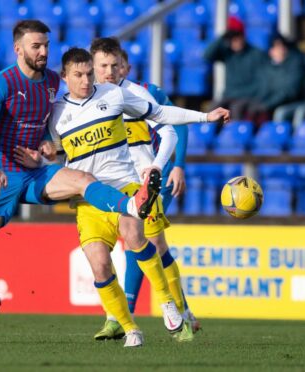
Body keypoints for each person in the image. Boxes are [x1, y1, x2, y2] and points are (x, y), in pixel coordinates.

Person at [14, 47, 229, 347]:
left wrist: (206, 116)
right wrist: (45, 155)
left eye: (89, 72)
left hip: (126, 187)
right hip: (87, 198)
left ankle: (168, 303)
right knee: (99, 264)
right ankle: (129, 328)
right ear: (64, 77)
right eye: (79, 75)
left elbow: (161, 114)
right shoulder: (55, 112)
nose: (87, 80)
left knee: (135, 235)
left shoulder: (112, 95)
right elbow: (59, 151)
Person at [0, 20, 165, 341]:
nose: (43, 51)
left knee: (84, 178)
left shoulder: (54, 83)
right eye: (36, 46)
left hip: (36, 171)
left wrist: (47, 143)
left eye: (46, 45)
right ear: (18, 49)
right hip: (1, 176)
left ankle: (129, 203)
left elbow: (56, 119)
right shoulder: (1, 84)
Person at [90, 38, 200, 341]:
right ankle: (122, 316)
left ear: (126, 66)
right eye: (105, 66)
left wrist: (176, 166)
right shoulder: (90, 99)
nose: (111, 71)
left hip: (143, 183)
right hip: (109, 185)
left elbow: (176, 124)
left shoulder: (143, 94)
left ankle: (180, 312)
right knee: (124, 249)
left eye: (117, 65)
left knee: (151, 244)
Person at [203, 16, 265, 120]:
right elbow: (207, 55)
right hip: (229, 96)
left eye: (238, 37)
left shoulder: (256, 54)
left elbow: (263, 80)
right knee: (213, 109)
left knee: (236, 109)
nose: (235, 41)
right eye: (232, 38)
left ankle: (234, 135)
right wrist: (223, 36)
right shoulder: (228, 54)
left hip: (248, 96)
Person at [246, 34, 305, 125]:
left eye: (282, 46)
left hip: (289, 104)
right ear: (270, 51)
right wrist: (258, 103)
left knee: (279, 112)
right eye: (277, 47)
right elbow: (262, 89)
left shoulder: (295, 64)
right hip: (269, 104)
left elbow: (289, 92)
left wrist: (266, 105)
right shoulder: (266, 68)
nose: (281, 50)